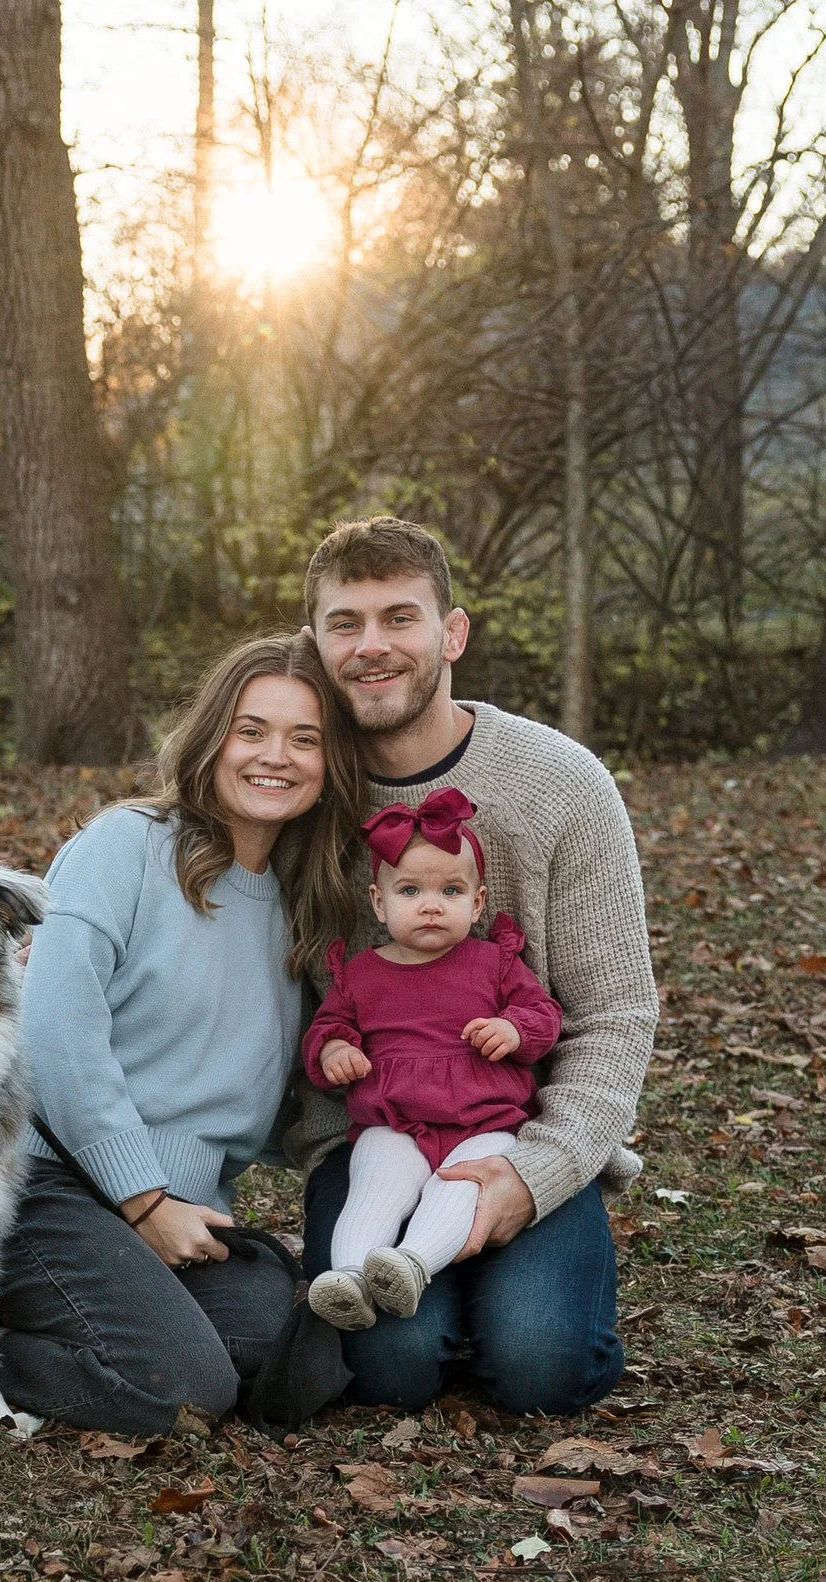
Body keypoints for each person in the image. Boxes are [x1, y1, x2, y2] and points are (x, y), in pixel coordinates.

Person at [292, 515, 660, 1416]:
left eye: (399, 618)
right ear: (316, 644)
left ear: (451, 634)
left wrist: (540, 1172)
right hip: (376, 1136)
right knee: (390, 1372)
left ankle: (521, 1296)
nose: (372, 646)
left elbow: (615, 1014)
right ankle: (434, 1310)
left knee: (541, 1368)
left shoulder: (560, 782)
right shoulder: (296, 788)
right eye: (346, 623)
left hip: (513, 1128)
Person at [0, 633, 366, 1434]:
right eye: (252, 729)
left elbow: (258, 1080)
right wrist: (142, 1199)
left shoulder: (309, 904)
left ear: (332, 762)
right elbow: (55, 1040)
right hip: (47, 1185)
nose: (278, 756)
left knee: (272, 1352)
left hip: (188, 1207)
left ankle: (119, 1318)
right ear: (211, 738)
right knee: (183, 1387)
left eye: (306, 738)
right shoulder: (124, 846)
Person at [302, 787, 563, 1330]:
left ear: (478, 901)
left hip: (484, 1122)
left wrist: (513, 1030)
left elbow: (543, 1014)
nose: (430, 904)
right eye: (410, 890)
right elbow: (327, 1026)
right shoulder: (362, 974)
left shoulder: (493, 963)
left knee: (464, 1186)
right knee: (375, 1179)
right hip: (395, 1120)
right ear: (379, 902)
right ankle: (348, 1278)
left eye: (451, 890)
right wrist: (335, 1049)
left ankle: (412, 1264)